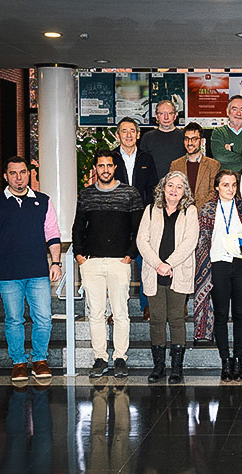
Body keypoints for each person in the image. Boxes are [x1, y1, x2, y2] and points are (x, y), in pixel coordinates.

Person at [0, 156, 61, 382]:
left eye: (22, 172)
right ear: (6, 176)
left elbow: (53, 234)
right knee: (14, 319)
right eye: (13, 173)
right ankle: (19, 362)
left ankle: (40, 360)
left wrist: (56, 262)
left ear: (29, 174)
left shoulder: (43, 201)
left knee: (43, 317)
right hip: (8, 274)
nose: (18, 177)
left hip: (37, 272)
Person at [72, 149, 144, 379]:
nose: (105, 169)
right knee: (96, 314)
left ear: (115, 168)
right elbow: (78, 226)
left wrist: (130, 255)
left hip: (119, 262)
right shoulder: (86, 195)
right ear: (96, 169)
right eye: (101, 166)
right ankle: (100, 357)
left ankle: (120, 357)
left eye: (109, 165)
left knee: (121, 313)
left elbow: (139, 228)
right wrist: (79, 255)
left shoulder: (130, 194)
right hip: (91, 262)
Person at [195, 169, 242, 381]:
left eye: (233, 185)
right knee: (221, 314)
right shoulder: (207, 209)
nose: (230, 189)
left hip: (241, 264)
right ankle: (225, 361)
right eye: (225, 185)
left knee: (241, 313)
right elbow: (202, 242)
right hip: (218, 265)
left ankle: (238, 360)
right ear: (217, 186)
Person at [136, 171, 199, 383]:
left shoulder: (190, 211)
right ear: (163, 187)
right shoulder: (150, 211)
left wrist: (169, 264)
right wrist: (158, 265)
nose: (173, 190)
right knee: (156, 320)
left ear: (185, 191)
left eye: (179, 187)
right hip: (155, 273)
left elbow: (190, 241)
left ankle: (177, 369)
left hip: (178, 271)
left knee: (176, 319)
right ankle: (159, 367)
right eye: (170, 185)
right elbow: (141, 241)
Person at [112, 116, 159, 320]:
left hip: (143, 219)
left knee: (145, 264)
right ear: (117, 135)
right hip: (117, 219)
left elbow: (154, 188)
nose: (129, 135)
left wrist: (148, 213)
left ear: (138, 134)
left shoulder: (146, 158)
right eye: (124, 131)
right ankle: (116, 308)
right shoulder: (110, 158)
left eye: (132, 131)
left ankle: (146, 304)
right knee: (117, 266)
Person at [169, 122, 220, 211]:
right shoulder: (175, 165)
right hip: (180, 212)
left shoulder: (213, 165)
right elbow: (171, 191)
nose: (190, 143)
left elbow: (214, 193)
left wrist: (193, 210)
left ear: (202, 141)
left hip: (204, 214)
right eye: (187, 139)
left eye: (194, 139)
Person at [140, 100, 186, 180]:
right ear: (156, 116)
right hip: (154, 187)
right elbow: (142, 165)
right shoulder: (147, 137)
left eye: (170, 113)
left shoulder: (184, 137)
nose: (166, 117)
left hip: (178, 186)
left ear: (175, 115)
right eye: (162, 113)